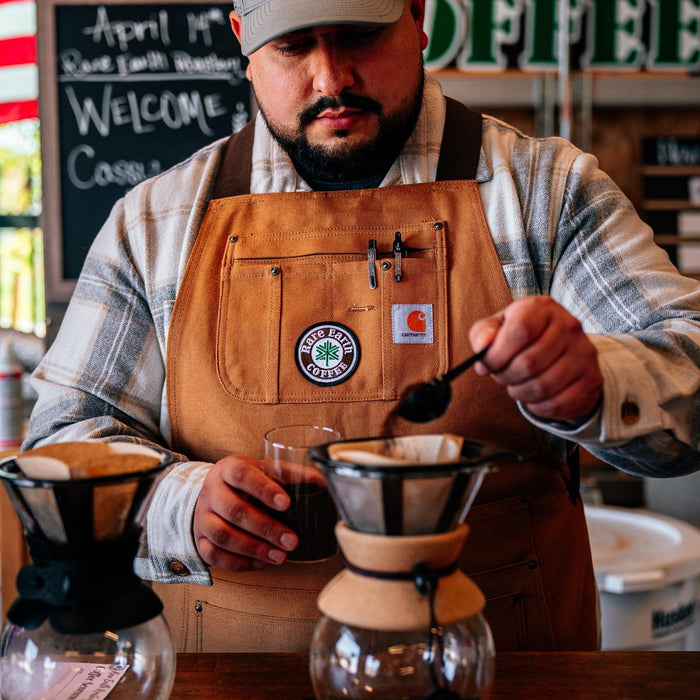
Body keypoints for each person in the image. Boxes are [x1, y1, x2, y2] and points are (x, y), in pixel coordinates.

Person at [25, 0, 700, 654]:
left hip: (502, 669)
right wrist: (175, 505)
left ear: (417, 16)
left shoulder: (545, 195)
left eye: (358, 35)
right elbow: (62, 441)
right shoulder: (154, 226)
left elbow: (687, 371)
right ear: (245, 43)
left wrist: (595, 383)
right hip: (229, 678)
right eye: (293, 46)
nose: (331, 78)